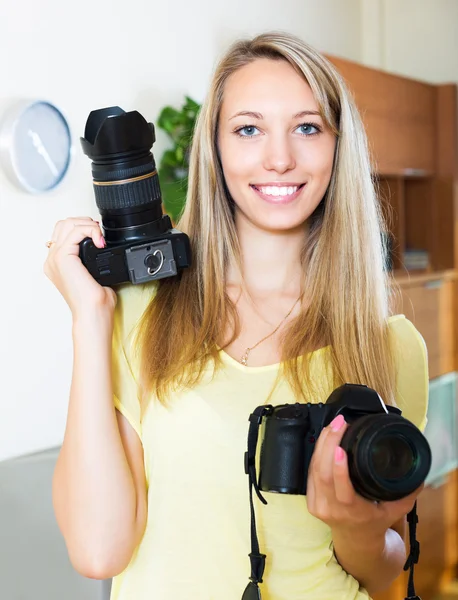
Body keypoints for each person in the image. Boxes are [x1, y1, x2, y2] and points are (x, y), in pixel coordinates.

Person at [44, 31, 428, 600]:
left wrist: (357, 527)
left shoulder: (389, 345)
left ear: (336, 147)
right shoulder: (145, 311)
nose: (279, 158)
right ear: (216, 149)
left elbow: (382, 568)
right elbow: (99, 549)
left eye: (307, 127)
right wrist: (89, 317)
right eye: (249, 129)